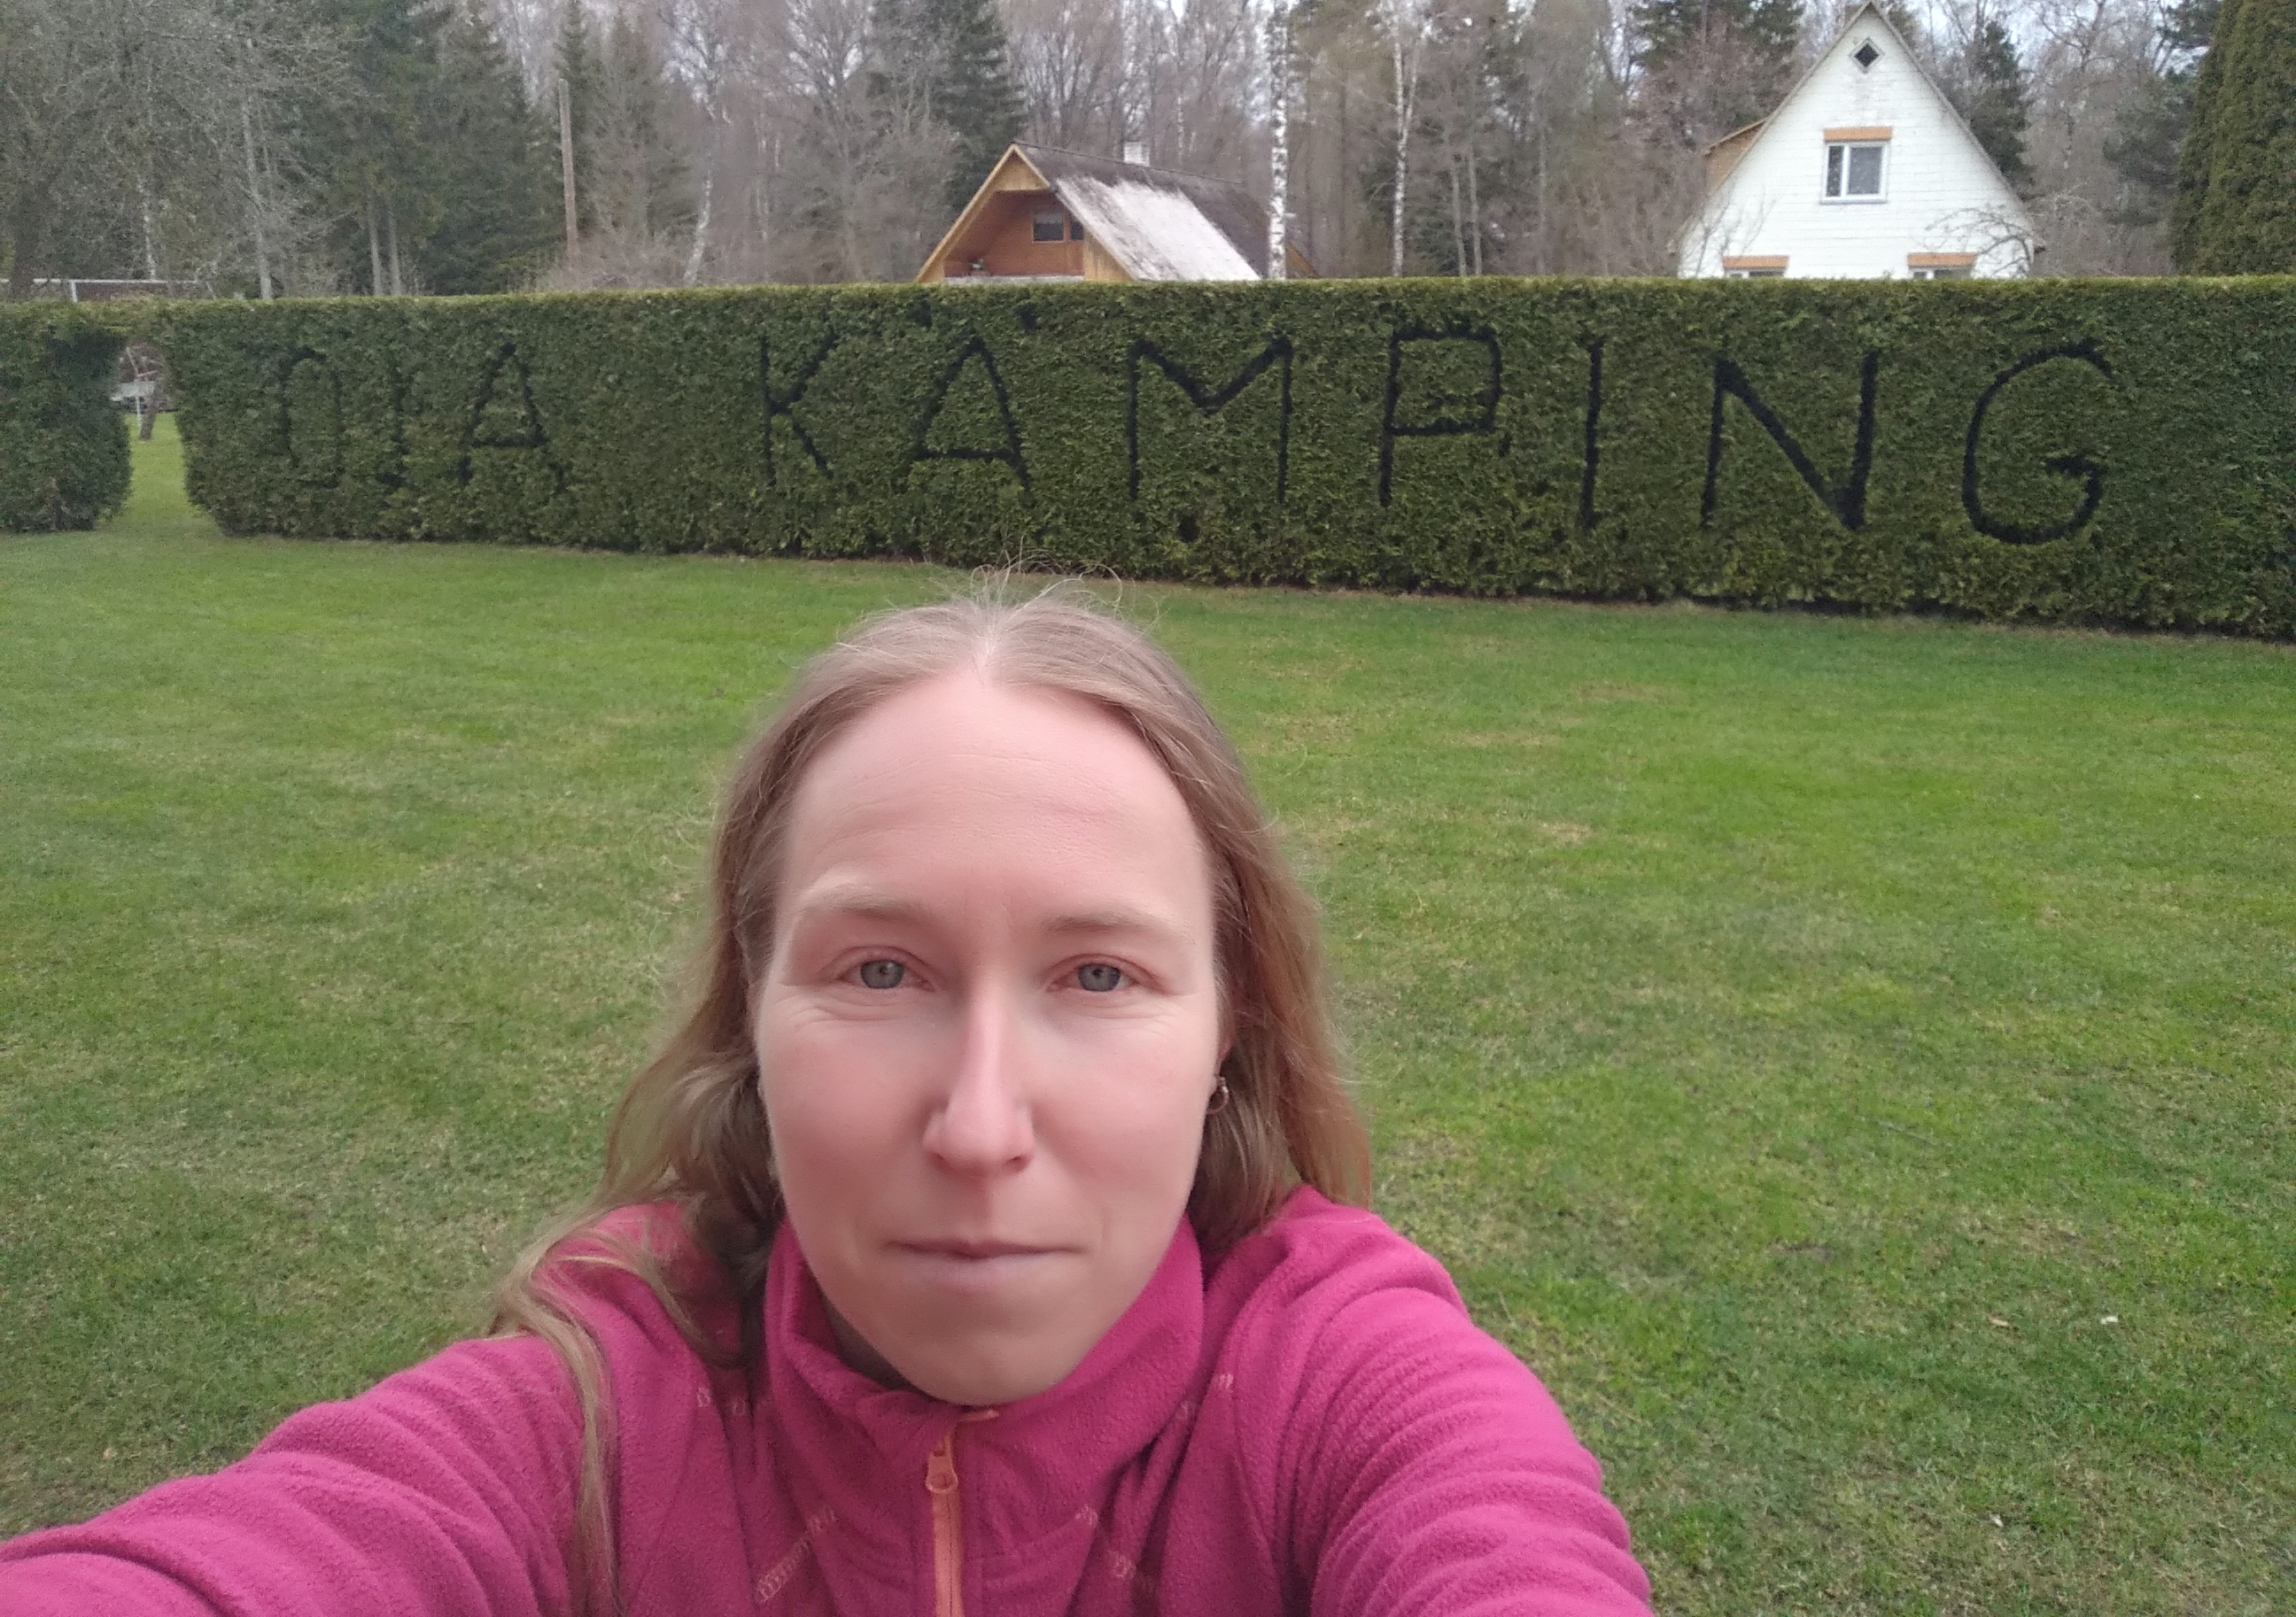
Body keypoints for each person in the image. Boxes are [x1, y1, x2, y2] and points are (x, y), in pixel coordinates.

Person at [1, 591, 1652, 1615]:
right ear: (754, 1013)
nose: (982, 1130)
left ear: (1233, 1023)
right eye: (879, 972)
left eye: (1098, 976)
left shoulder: (1338, 1385)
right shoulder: (599, 1415)